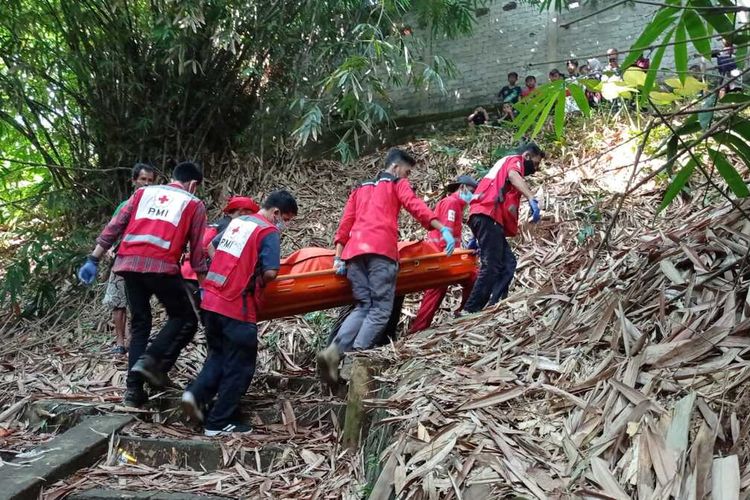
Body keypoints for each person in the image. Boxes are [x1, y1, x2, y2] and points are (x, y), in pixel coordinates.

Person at [316, 148, 456, 384]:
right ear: (395, 168)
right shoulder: (395, 184)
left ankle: (333, 352)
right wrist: (442, 229)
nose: (407, 177)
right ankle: (355, 360)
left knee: (363, 306)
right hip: (380, 252)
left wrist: (339, 257)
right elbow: (415, 206)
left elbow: (345, 224)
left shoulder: (360, 188)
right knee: (380, 309)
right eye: (407, 172)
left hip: (354, 255)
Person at [77, 161, 208, 408]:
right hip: (161, 267)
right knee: (185, 318)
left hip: (129, 266)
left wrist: (93, 258)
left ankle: (133, 390)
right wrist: (204, 287)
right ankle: (151, 361)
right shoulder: (193, 203)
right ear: (192, 184)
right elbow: (198, 252)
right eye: (196, 188)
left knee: (140, 325)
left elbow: (114, 227)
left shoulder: (142, 193)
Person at [181, 191, 298, 437]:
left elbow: (211, 246)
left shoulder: (240, 223)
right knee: (241, 365)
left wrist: (228, 270)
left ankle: (195, 395)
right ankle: (219, 421)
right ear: (276, 212)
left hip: (211, 299)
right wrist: (251, 278)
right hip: (236, 304)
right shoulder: (268, 231)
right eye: (286, 219)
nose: (284, 225)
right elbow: (271, 273)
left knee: (218, 356)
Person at [462, 144, 545, 314]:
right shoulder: (514, 162)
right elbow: (513, 175)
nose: (535, 170)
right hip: (487, 216)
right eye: (536, 164)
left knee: (508, 263)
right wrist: (531, 198)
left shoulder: (501, 175)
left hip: (488, 218)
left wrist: (477, 235)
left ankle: (495, 304)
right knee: (491, 265)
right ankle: (470, 310)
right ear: (527, 156)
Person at [410, 175, 478, 333]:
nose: (472, 196)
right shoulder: (452, 203)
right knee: (472, 278)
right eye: (471, 191)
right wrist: (454, 253)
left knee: (436, 291)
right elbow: (446, 232)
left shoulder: (455, 205)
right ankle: (463, 311)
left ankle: (418, 329)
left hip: (442, 254)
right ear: (462, 188)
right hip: (442, 254)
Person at [103, 163, 156, 355]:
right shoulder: (125, 205)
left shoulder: (155, 207)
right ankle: (119, 341)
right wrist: (108, 248)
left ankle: (135, 339)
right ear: (134, 181)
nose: (146, 184)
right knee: (118, 301)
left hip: (143, 260)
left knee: (138, 302)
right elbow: (112, 228)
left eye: (150, 180)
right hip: (122, 256)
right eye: (143, 179)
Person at [181, 196, 259, 305]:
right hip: (198, 276)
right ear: (242, 212)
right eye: (250, 214)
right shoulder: (232, 227)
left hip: (187, 271)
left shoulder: (218, 223)